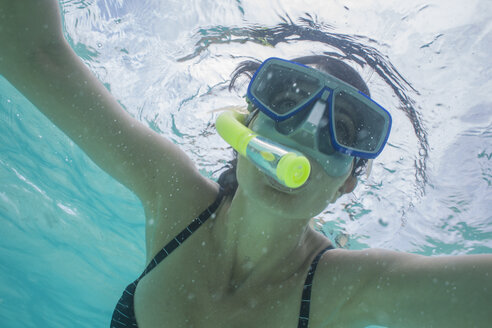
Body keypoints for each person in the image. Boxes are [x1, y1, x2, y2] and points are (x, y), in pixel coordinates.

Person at [1, 1, 491, 327]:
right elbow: (32, 55)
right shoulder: (174, 192)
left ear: (348, 184)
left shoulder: (342, 284)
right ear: (244, 126)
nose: (303, 134)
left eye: (343, 127)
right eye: (287, 100)